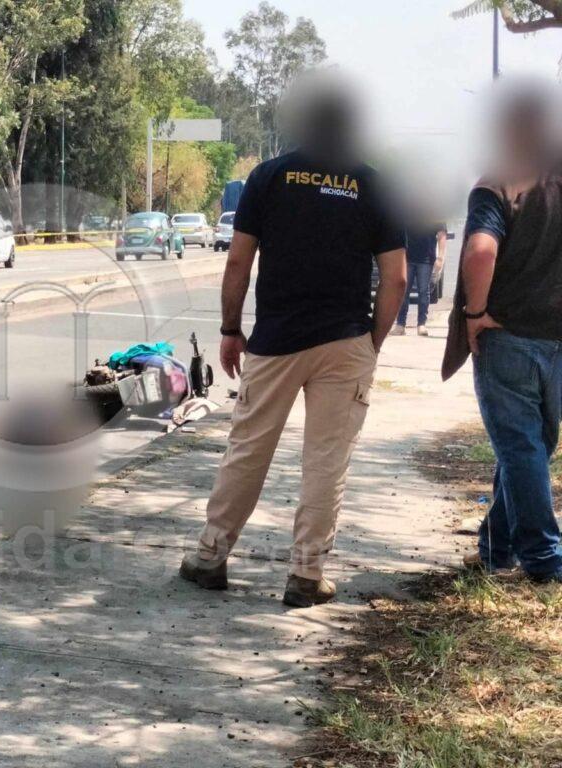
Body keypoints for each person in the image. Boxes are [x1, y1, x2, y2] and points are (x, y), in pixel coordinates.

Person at [179, 74, 407, 608]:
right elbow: (396, 279)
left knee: (247, 450)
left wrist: (231, 329)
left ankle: (210, 558)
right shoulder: (374, 185)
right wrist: (371, 342)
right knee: (327, 459)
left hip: (275, 340)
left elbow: (238, 262)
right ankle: (306, 576)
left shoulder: (270, 176)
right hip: (346, 341)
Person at [442, 83, 562, 583]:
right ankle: (497, 547)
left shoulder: (499, 182)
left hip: (508, 336)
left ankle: (545, 560)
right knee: (532, 446)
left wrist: (475, 313)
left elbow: (480, 252)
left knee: (521, 448)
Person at [390, 221, 447, 336]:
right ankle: (400, 325)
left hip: (426, 259)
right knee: (403, 291)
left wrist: (440, 258)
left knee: (423, 292)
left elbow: (442, 235)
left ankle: (421, 324)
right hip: (406, 257)